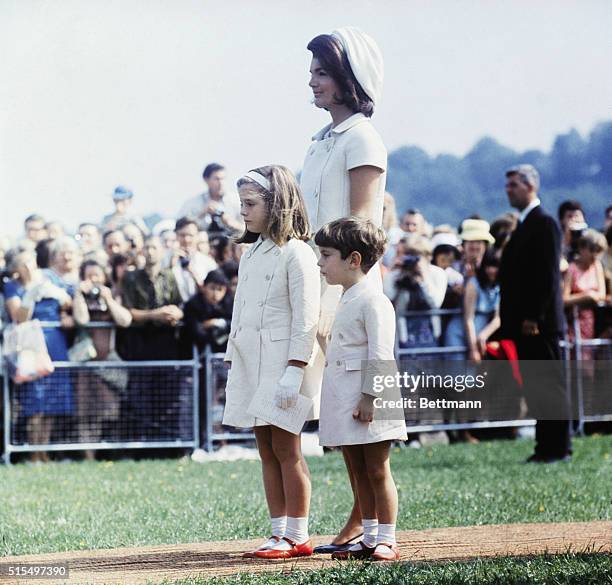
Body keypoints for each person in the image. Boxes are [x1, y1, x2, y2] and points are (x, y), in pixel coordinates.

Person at [300, 26, 386, 553]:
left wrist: (339, 283)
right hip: (320, 280)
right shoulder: (319, 141)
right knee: (333, 409)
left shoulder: (362, 139)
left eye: (321, 72)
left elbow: (363, 226)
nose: (311, 81)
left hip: (350, 289)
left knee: (360, 408)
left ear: (347, 79)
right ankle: (360, 516)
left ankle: (368, 519)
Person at [222, 166, 320, 560]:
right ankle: (278, 531)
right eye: (241, 204)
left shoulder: (296, 252)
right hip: (252, 363)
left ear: (276, 204)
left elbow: (306, 316)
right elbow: (240, 311)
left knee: (286, 448)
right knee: (265, 448)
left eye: (250, 204)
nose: (243, 211)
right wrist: (234, 356)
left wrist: (295, 367)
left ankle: (297, 534)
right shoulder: (252, 252)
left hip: (282, 365)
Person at [315, 217, 407, 561]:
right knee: (356, 469)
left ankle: (387, 538)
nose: (321, 263)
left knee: (377, 469)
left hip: (369, 400)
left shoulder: (374, 300)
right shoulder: (347, 297)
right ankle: (368, 536)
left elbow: (381, 355)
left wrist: (371, 398)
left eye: (326, 255)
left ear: (353, 259)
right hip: (345, 400)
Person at [499, 164, 572, 463]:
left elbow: (547, 276)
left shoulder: (545, 224)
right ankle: (545, 447)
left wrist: (533, 316)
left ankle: (559, 448)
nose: (508, 190)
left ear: (530, 186)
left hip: (539, 324)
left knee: (550, 385)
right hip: (525, 324)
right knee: (536, 386)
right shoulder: (526, 224)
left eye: (514, 184)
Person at [3, 249, 75, 462]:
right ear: (16, 270)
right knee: (35, 400)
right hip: (30, 346)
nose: (28, 267)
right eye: (22, 263)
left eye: (30, 261)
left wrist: (63, 306)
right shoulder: (13, 287)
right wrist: (30, 297)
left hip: (55, 344)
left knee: (53, 401)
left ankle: (44, 450)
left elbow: (67, 304)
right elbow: (18, 317)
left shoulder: (50, 279)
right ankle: (33, 452)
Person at [72, 260, 132, 459]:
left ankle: (108, 454)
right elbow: (81, 320)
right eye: (89, 276)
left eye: (97, 275)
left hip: (108, 362)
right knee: (85, 413)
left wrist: (109, 299)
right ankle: (88, 456)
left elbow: (124, 320)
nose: (94, 280)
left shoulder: (113, 294)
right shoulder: (78, 295)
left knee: (109, 410)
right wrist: (79, 294)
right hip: (86, 363)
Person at [563, 228, 607, 351]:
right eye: (592, 250)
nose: (595, 255)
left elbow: (601, 294)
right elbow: (564, 299)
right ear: (582, 248)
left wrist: (592, 296)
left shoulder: (596, 267)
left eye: (598, 251)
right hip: (574, 322)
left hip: (592, 322)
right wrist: (586, 296)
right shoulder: (572, 269)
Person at [163, 217, 217, 303]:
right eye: (182, 235)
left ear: (197, 237)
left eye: (191, 235)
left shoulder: (208, 263)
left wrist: (192, 271)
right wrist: (171, 265)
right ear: (176, 236)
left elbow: (214, 293)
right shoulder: (165, 259)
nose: (186, 240)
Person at [177, 163, 243, 233]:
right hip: (202, 242)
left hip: (232, 241)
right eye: (216, 179)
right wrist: (202, 214)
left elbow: (247, 229)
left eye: (223, 179)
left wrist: (228, 221)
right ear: (206, 179)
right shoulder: (193, 203)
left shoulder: (236, 201)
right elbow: (179, 227)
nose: (221, 183)